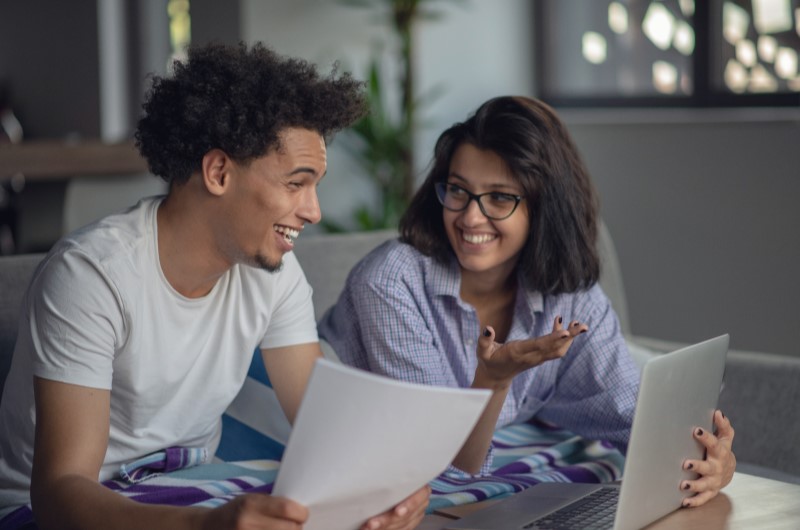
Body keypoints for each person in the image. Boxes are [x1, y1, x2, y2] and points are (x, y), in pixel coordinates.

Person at [0, 42, 429, 530]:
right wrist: (205, 527)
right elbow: (60, 493)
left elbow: (324, 426)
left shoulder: (275, 274)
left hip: (192, 484)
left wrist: (391, 485)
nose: (314, 211)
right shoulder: (91, 276)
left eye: (316, 186)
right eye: (296, 183)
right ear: (219, 171)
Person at [318, 95, 736, 508]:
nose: (470, 218)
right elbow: (438, 460)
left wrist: (712, 462)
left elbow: (629, 417)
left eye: (500, 197)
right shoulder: (392, 281)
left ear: (544, 208)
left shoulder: (571, 298)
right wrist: (495, 378)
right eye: (458, 190)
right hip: (320, 437)